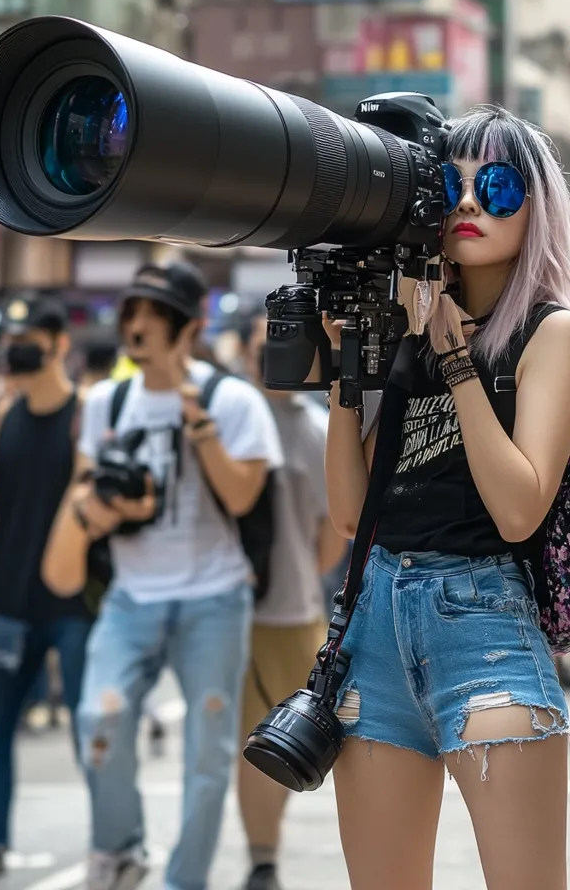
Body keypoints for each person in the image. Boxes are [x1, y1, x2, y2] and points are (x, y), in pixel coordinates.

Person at [323, 106, 570, 890]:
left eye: (498, 186)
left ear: (537, 207)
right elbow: (350, 511)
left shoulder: (553, 333)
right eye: (452, 185)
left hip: (482, 617)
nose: (470, 202)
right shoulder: (414, 330)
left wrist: (455, 360)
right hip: (375, 617)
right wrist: (351, 371)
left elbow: (520, 507)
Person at [41, 261, 283, 890]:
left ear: (191, 326)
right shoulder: (104, 402)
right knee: (99, 718)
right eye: (132, 313)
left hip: (214, 597)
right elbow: (82, 492)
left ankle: (186, 881)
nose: (139, 327)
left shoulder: (234, 400)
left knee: (208, 755)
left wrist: (192, 411)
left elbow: (241, 497)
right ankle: (119, 850)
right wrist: (95, 512)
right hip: (130, 596)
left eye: (157, 315)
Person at [0, 294, 93, 878]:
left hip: (77, 603)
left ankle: (111, 840)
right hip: (6, 601)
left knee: (89, 724)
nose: (16, 350)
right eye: (10, 339)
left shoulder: (88, 416)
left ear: (59, 345)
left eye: (29, 339)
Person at [238, 317, 345, 890]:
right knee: (244, 743)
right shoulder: (304, 423)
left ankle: (262, 859)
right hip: (258, 607)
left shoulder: (311, 424)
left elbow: (334, 531)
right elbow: (332, 534)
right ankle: (261, 859)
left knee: (265, 743)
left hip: (288, 610)